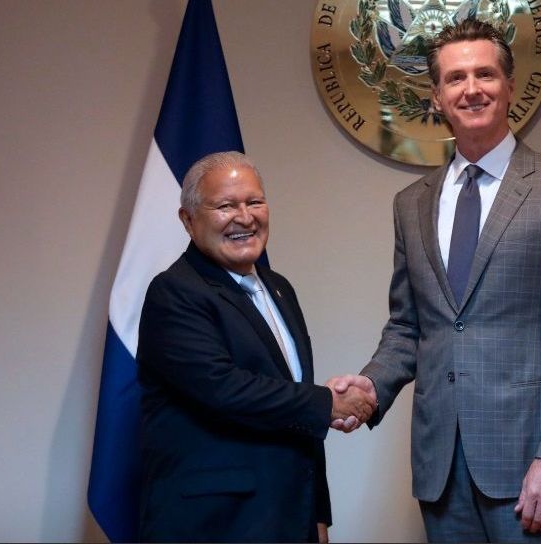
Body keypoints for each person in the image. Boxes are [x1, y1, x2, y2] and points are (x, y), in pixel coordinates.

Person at [329, 19, 541, 542]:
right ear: (436, 96)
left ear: (509, 86)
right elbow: (408, 327)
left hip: (531, 467)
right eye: (455, 78)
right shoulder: (411, 204)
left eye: (485, 74)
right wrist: (370, 386)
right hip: (440, 469)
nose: (472, 89)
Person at [136, 151, 374, 543]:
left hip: (289, 517)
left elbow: (296, 414)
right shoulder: (174, 292)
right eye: (225, 206)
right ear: (188, 220)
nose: (245, 218)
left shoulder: (279, 288)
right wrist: (328, 403)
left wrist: (318, 513)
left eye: (254, 202)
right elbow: (224, 388)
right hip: (215, 524)